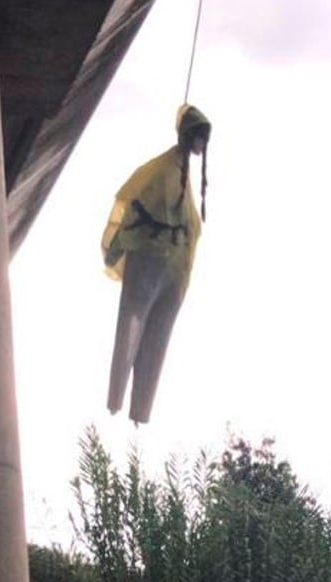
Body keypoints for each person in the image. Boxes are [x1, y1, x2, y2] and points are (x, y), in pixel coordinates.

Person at [100, 104, 211, 423]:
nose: (201, 146)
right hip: (150, 260)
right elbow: (138, 202)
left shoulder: (184, 175)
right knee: (132, 323)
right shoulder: (162, 170)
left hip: (172, 268)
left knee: (158, 335)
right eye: (199, 137)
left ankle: (139, 411)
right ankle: (116, 399)